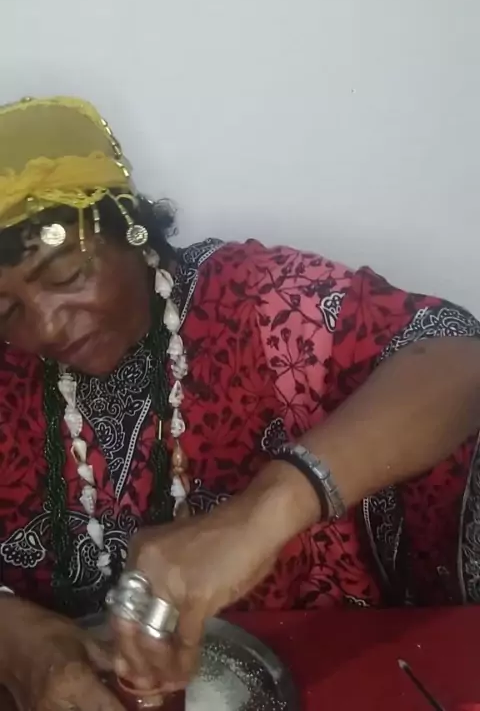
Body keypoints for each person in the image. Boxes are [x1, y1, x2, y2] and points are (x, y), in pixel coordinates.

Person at [0, 96, 479, 709]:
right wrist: (12, 636)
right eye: (6, 309)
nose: (45, 326)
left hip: (335, 672)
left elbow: (459, 359)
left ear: (131, 229)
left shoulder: (257, 303)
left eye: (67, 276)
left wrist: (265, 512)